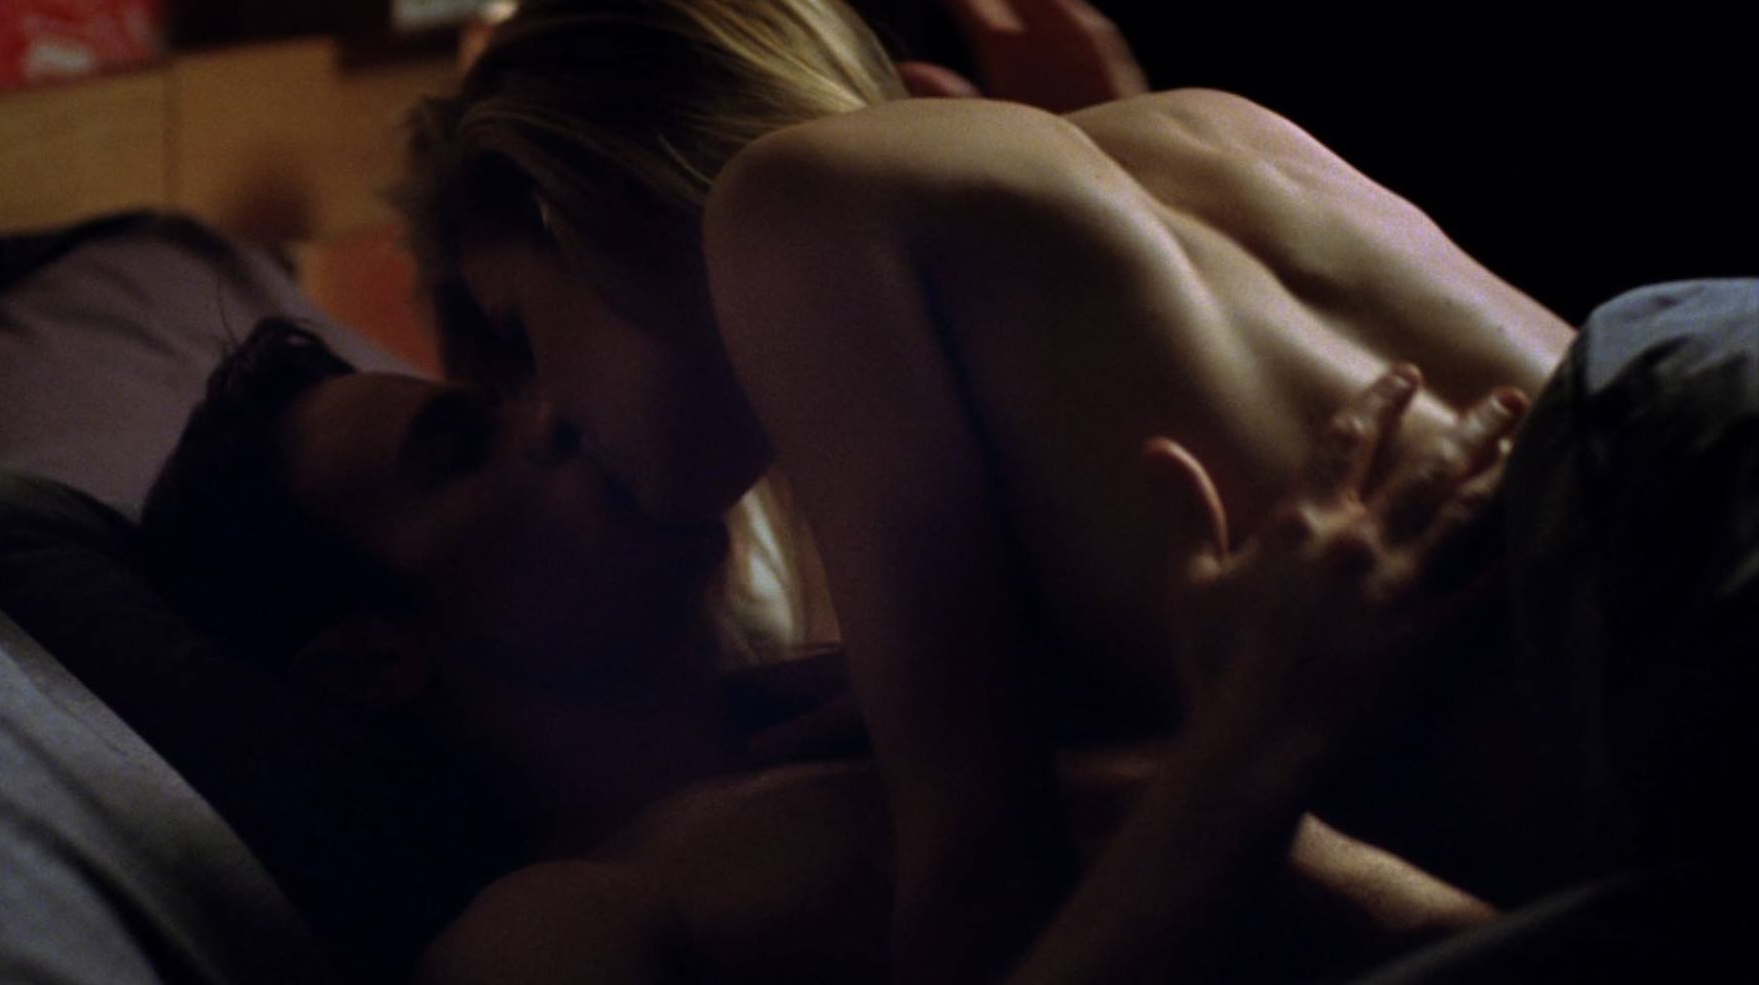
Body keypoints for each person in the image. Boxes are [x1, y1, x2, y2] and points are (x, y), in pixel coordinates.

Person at [393, 0, 1575, 979]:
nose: (542, 419)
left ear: (572, 200)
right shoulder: (1172, 134)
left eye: (517, 336)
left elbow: (977, 894)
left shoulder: (780, 216)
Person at [140, 318, 1511, 984]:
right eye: (459, 449)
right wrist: (1254, 742)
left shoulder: (890, 700)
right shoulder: (545, 924)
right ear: (367, 660)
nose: (553, 414)